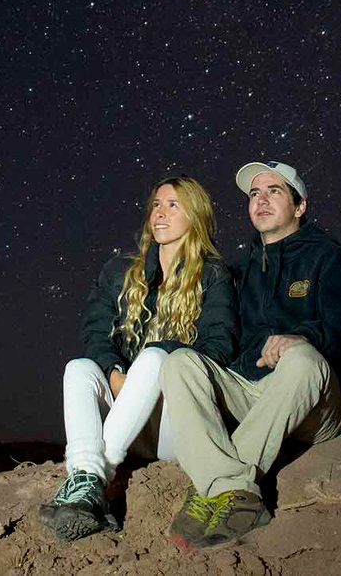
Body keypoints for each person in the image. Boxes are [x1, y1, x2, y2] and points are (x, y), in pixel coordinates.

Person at [159, 160, 341, 552]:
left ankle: (215, 489)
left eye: (274, 191)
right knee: (178, 364)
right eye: (254, 194)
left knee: (301, 359)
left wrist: (301, 336)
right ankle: (231, 489)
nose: (261, 200)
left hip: (312, 400)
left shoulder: (328, 259)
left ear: (300, 206)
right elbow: (220, 335)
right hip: (252, 394)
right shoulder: (238, 271)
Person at [37, 175, 236, 542]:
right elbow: (95, 332)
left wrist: (161, 359)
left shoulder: (214, 275)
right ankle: (87, 480)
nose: (160, 213)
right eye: (156, 205)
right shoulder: (119, 271)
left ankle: (91, 482)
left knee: (156, 356)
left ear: (195, 216)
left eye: (173, 205)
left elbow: (221, 345)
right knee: (78, 368)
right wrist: (114, 375)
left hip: (174, 427)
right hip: (128, 421)